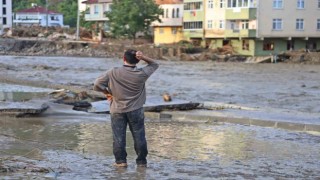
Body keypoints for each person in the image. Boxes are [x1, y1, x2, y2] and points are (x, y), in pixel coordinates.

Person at [93, 49, 159, 168]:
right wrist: (143, 57)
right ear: (137, 61)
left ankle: (121, 161)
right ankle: (141, 162)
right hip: (136, 110)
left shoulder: (113, 72)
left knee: (118, 137)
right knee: (139, 136)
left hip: (117, 109)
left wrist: (107, 92)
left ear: (124, 59)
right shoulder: (142, 73)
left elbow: (97, 84)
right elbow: (154, 64)